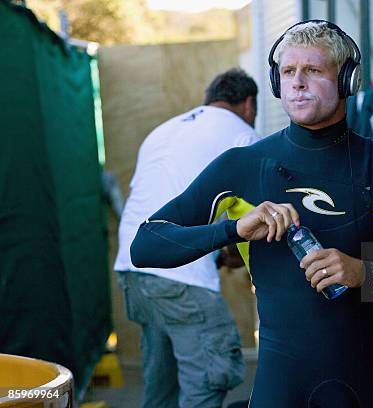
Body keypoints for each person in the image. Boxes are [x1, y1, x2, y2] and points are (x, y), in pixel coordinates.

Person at [131, 21, 373, 407]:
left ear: (346, 81)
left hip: (368, 381)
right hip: (281, 383)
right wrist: (233, 230)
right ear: (276, 82)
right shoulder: (242, 165)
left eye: (314, 70)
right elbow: (145, 245)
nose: (298, 82)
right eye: (289, 71)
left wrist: (368, 272)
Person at [114, 68, 260, 408]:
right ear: (249, 104)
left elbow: (154, 197)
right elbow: (253, 221)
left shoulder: (164, 130)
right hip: (183, 281)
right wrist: (235, 253)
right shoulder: (242, 134)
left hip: (133, 269)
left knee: (162, 386)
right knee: (208, 380)